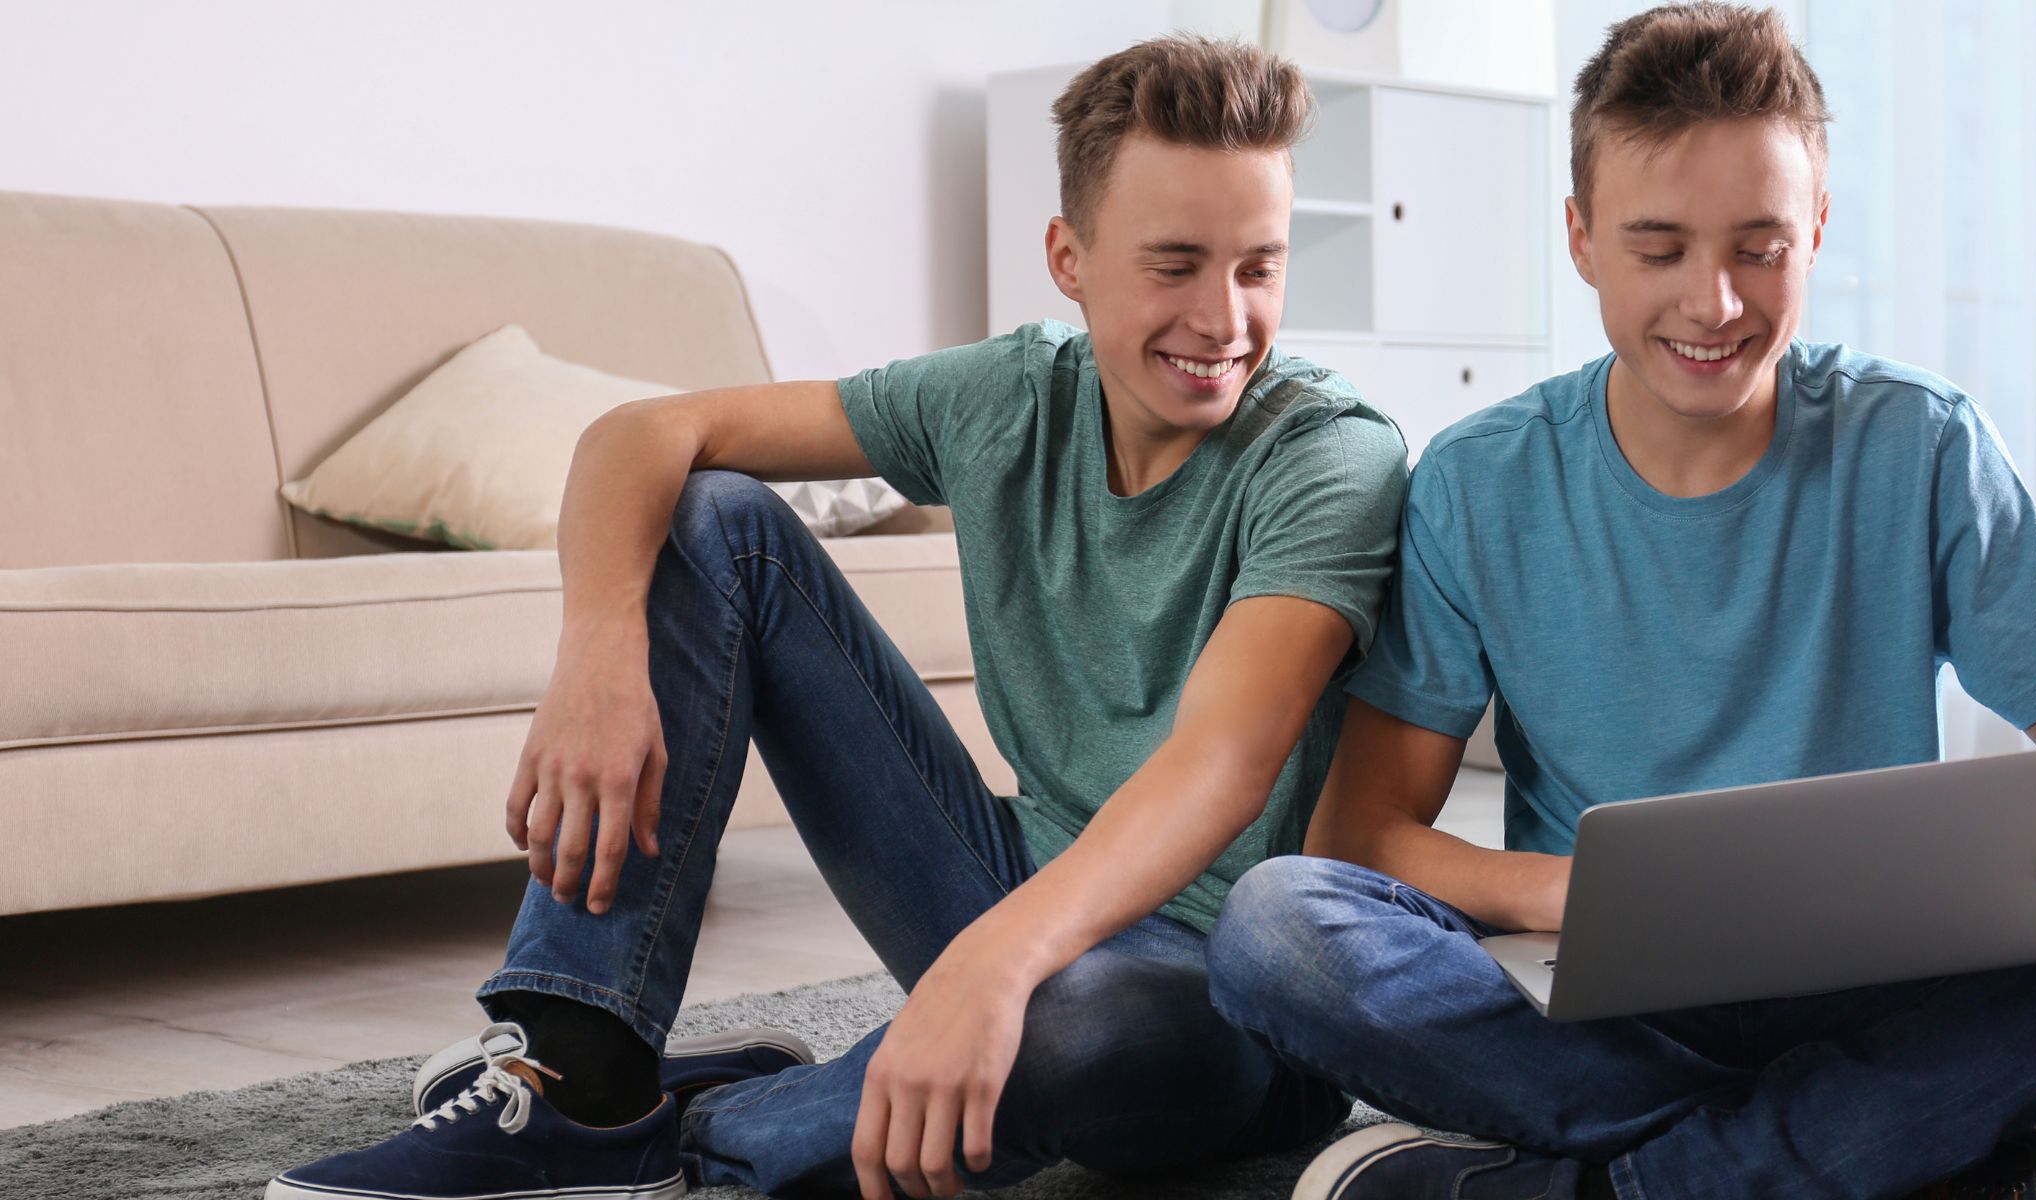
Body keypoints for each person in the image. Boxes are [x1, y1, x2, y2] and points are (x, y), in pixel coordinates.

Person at [1202, 5, 2036, 1198]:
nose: (1714, 302)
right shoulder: (1477, 480)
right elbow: (1362, 837)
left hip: (1893, 983)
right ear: (1582, 239)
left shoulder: (1922, 443)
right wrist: (1575, 892)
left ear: (1817, 229)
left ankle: (1642, 1181)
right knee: (1278, 926)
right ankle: (1913, 1149)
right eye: (1660, 249)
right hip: (1603, 997)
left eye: (1760, 246)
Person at [267, 34, 1408, 1200]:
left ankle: (699, 1139)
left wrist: (995, 964)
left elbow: (1220, 769)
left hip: (1221, 1001)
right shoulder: (1011, 395)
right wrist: (597, 660)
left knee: (1080, 1030)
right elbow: (643, 435)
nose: (1223, 319)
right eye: (1175, 265)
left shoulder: (1329, 458)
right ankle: (582, 1064)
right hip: (1013, 885)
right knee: (717, 520)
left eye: (1259, 267)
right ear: (1069, 257)